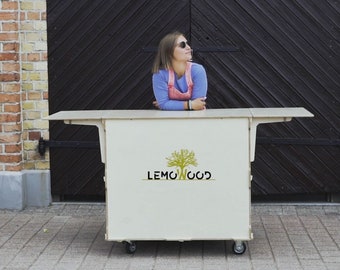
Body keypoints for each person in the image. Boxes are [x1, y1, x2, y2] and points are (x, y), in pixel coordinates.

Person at [152, 32, 207, 110]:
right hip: (169, 120)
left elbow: (199, 104)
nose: (188, 47)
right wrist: (189, 104)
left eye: (187, 44)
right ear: (169, 52)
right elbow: (163, 104)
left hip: (194, 119)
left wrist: (170, 104)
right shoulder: (160, 74)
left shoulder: (197, 70)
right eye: (182, 45)